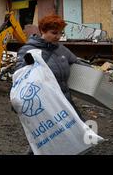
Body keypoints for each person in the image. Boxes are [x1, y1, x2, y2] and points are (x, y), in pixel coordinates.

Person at [12, 14, 84, 154]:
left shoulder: (61, 49)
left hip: (64, 99)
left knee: (78, 128)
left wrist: (96, 74)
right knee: (47, 136)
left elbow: (76, 63)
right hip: (45, 103)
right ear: (43, 31)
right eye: (54, 33)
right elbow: (20, 76)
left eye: (60, 33)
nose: (58, 37)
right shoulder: (29, 50)